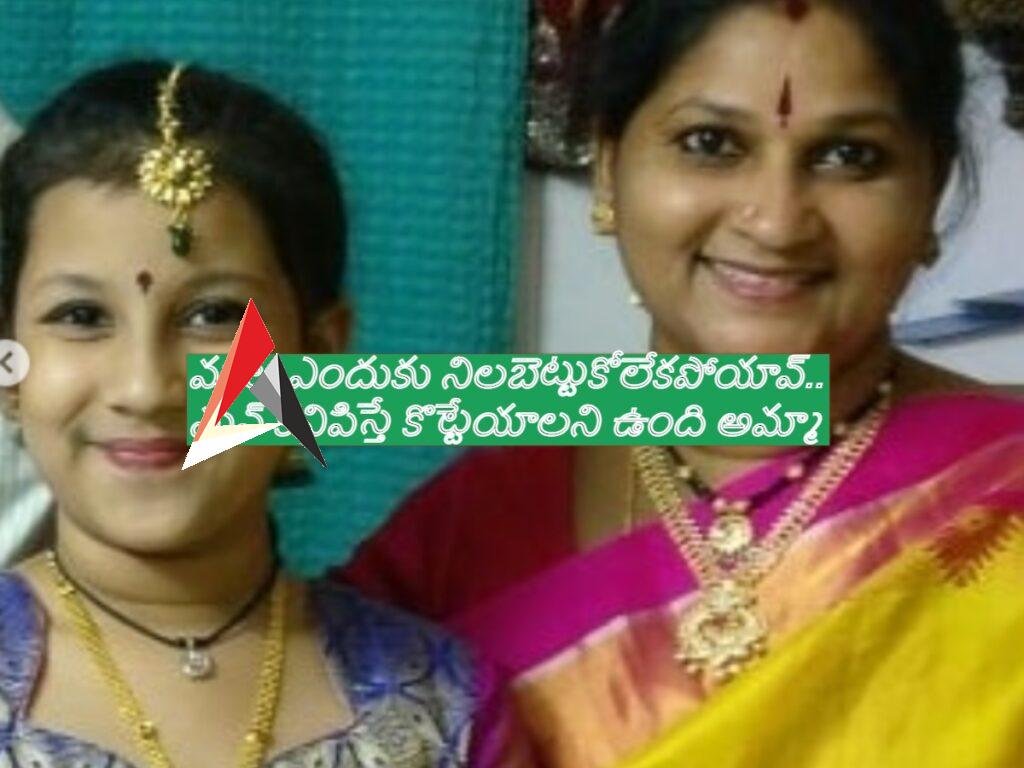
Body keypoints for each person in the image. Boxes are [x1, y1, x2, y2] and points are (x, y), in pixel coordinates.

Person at [340, 1, 1024, 766]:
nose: (776, 222)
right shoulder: (462, 534)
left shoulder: (1009, 477)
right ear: (609, 166)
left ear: (931, 192)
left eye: (849, 157)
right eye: (711, 144)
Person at [0, 60, 532, 768]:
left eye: (213, 316)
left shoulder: (445, 709)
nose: (146, 388)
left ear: (317, 354)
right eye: (81, 316)